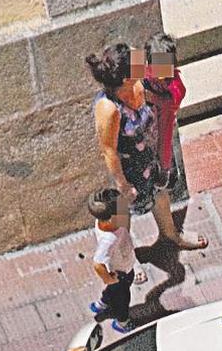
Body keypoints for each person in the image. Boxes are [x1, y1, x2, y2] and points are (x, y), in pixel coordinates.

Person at [87, 42, 206, 250]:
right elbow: (108, 150)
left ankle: (171, 235)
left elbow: (168, 95)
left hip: (150, 158)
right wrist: (122, 184)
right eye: (139, 61)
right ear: (126, 78)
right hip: (129, 168)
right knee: (123, 211)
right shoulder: (109, 108)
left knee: (160, 192)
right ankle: (126, 256)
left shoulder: (140, 82)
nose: (145, 61)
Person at [143, 33, 208, 249]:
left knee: (160, 181)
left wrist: (164, 163)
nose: (161, 74)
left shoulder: (175, 87)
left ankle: (170, 233)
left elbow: (168, 108)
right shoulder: (141, 72)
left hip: (158, 139)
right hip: (140, 138)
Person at [86, 188, 147, 334]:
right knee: (122, 299)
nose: (124, 211)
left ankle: (102, 304)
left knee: (113, 290)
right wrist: (109, 279)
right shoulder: (109, 239)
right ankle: (122, 322)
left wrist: (128, 198)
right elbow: (97, 263)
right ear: (111, 218)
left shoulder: (107, 221)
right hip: (121, 272)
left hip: (124, 265)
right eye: (121, 209)